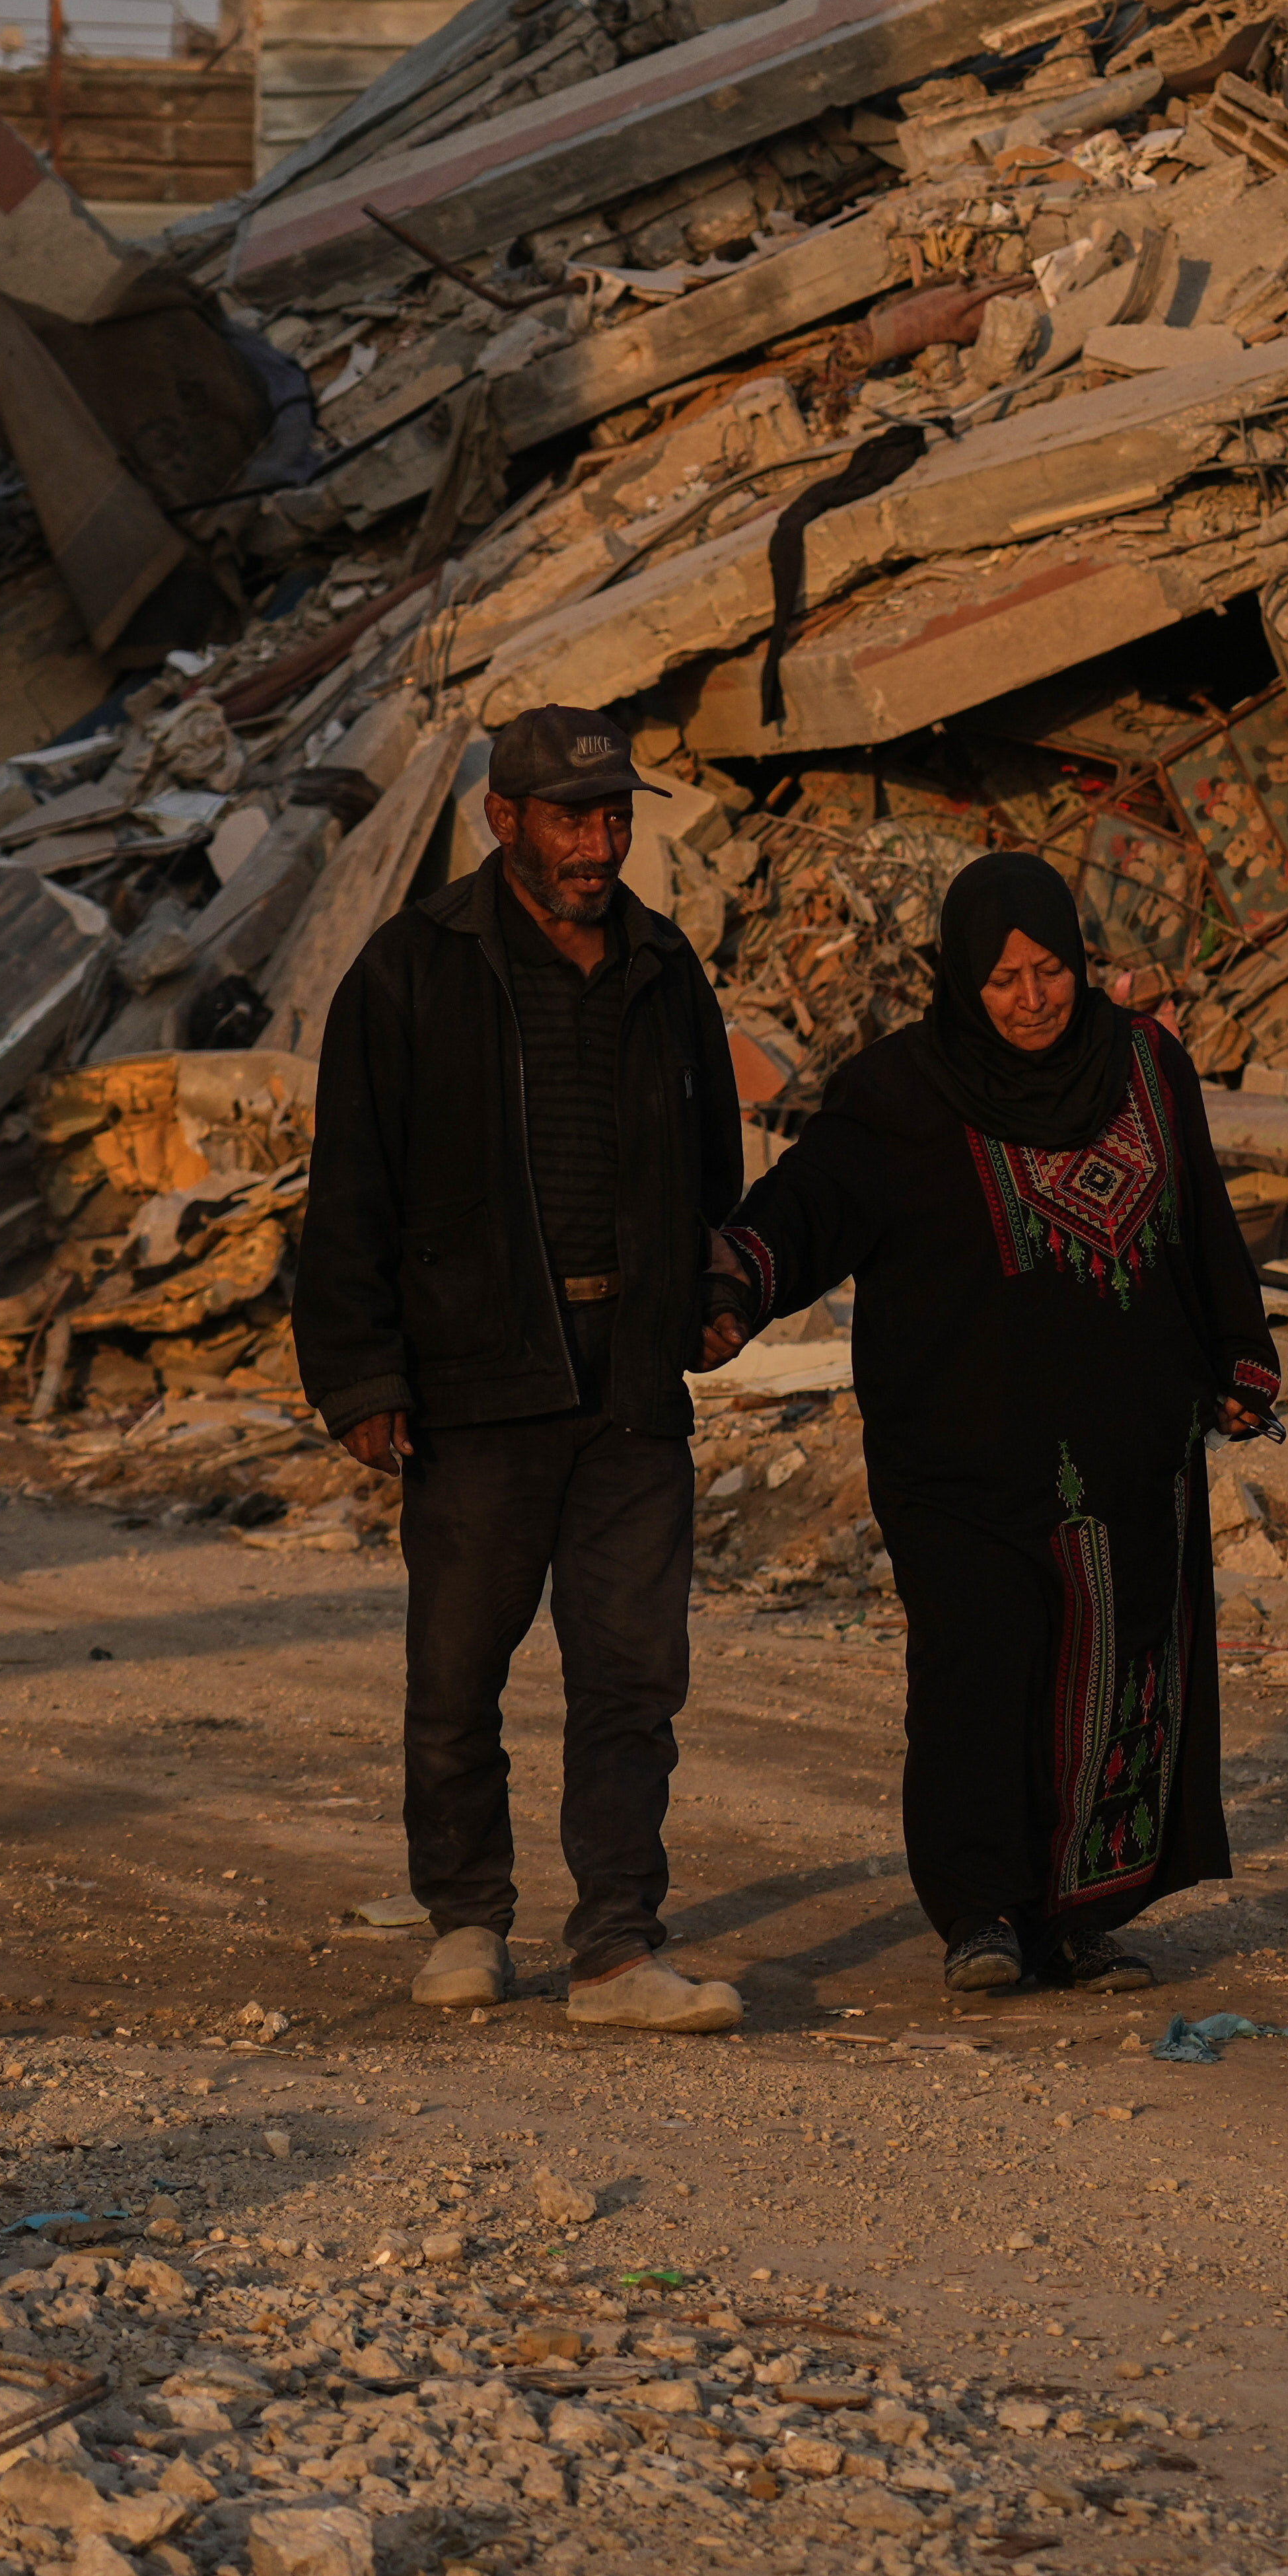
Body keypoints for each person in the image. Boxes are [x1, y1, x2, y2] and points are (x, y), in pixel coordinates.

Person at [703, 853, 1280, 1998]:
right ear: (963, 981)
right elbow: (808, 1207)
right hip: (960, 1449)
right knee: (982, 1671)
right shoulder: (901, 1093)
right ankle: (982, 1914)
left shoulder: (1148, 1067)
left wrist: (1240, 1349)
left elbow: (1199, 1210)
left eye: (1052, 971)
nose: (1031, 1000)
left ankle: (1087, 1912)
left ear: (1083, 961)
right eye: (1005, 979)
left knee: (1119, 1668)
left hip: (1127, 1446)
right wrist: (734, 1286)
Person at [292, 703, 746, 2035]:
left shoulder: (664, 969)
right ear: (504, 822)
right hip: (476, 1375)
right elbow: (352, 1189)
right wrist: (366, 1378)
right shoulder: (413, 968)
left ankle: (615, 1946)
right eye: (570, 818)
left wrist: (709, 1294)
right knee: (457, 1673)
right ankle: (468, 1918)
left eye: (614, 818)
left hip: (629, 1383)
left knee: (630, 1677)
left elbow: (713, 1166)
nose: (598, 844)